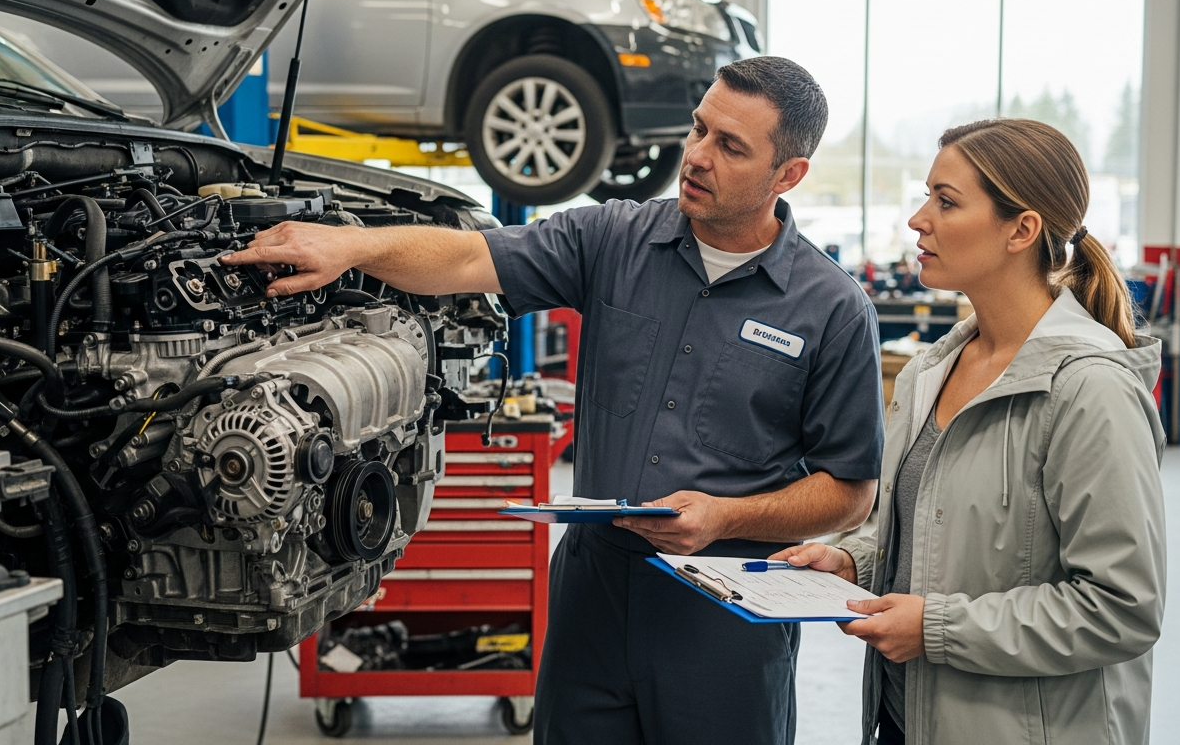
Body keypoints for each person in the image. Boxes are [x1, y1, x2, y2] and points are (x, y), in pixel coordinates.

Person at [220, 56, 885, 745]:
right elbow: (463, 258)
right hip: (593, 593)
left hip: (726, 612)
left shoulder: (832, 309)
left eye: (731, 146)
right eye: (698, 129)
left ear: (788, 176)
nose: (697, 156)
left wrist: (727, 516)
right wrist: (354, 246)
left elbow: (849, 493)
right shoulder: (613, 239)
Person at [773, 118, 1167, 745]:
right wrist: (855, 559)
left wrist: (935, 628)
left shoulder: (1088, 389)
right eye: (927, 195)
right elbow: (925, 532)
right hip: (907, 719)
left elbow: (1121, 608)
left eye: (946, 200)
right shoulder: (932, 370)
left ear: (1022, 229)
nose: (918, 219)